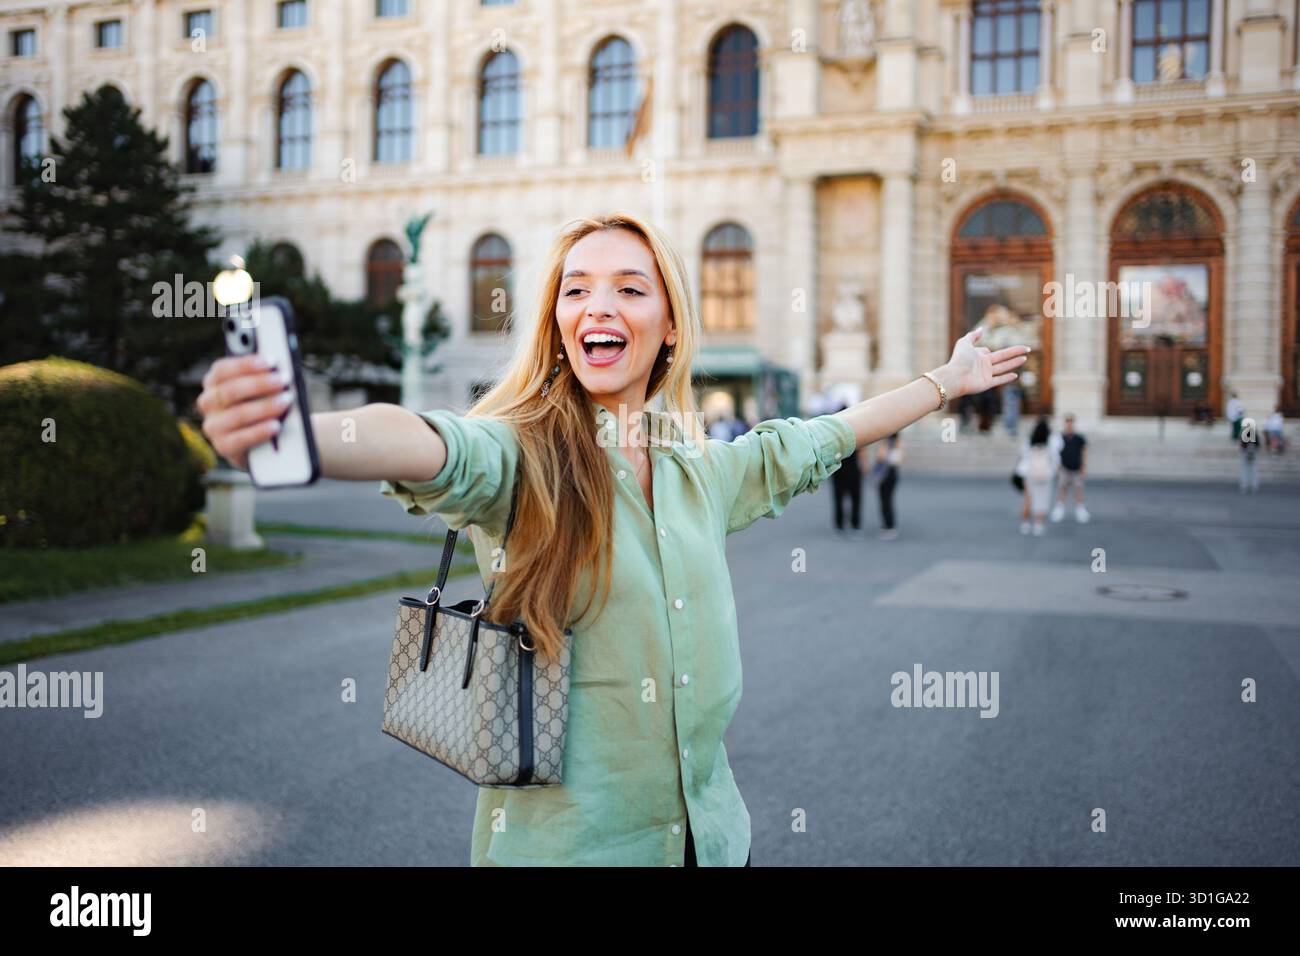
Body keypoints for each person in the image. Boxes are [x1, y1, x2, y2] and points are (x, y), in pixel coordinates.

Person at [195, 212, 1029, 867]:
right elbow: (432, 442)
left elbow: (816, 441)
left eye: (630, 289)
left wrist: (943, 385)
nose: (598, 306)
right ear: (558, 320)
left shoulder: (703, 468)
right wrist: (305, 431)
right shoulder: (522, 455)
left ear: (669, 324)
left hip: (714, 844)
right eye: (576, 290)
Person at [1017, 417, 1058, 536]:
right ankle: (1038, 525)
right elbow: (1055, 458)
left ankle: (1025, 523)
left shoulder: (1029, 440)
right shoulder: (1051, 440)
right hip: (1046, 473)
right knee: (1042, 499)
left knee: (1029, 498)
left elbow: (1024, 455)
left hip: (1030, 472)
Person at [830, 402, 865, 534]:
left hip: (838, 469)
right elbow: (862, 450)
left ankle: (839, 525)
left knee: (838, 498)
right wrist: (864, 465)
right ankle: (855, 525)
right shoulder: (855, 429)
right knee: (856, 498)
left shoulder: (834, 433)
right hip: (853, 469)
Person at [1050, 413, 1089, 523]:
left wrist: (1084, 466)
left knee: (1078, 489)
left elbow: (1084, 451)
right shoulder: (1060, 437)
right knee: (1062, 488)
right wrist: (1057, 466)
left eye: (1071, 421)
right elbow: (1055, 452)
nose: (1069, 424)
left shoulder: (1079, 438)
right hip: (1064, 467)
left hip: (1076, 467)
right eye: (1067, 421)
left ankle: (1080, 510)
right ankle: (1059, 509)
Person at [874, 433, 903, 539]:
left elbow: (880, 456)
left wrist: (883, 445)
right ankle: (888, 525)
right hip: (890, 474)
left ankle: (889, 526)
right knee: (886, 501)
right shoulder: (895, 444)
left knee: (886, 501)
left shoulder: (889, 444)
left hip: (887, 475)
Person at [1239, 428, 1261, 493]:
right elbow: (1258, 444)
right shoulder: (1254, 434)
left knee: (1246, 470)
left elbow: (1242, 445)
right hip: (1252, 453)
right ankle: (1253, 486)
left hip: (1247, 453)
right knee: (1253, 470)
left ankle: (1245, 486)